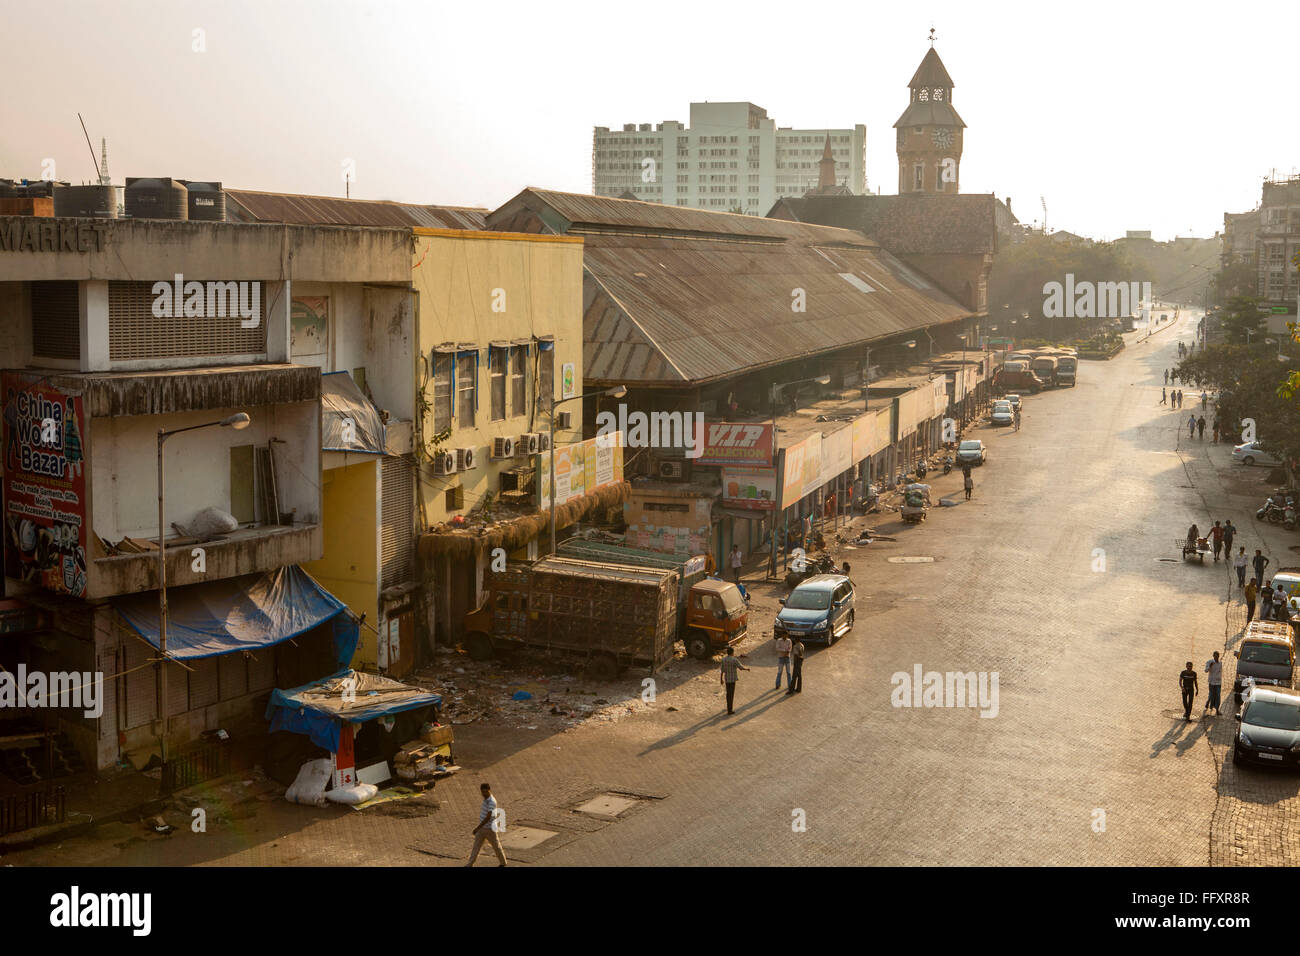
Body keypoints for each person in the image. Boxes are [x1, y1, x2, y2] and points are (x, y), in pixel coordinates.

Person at [466, 782, 507, 867]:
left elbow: (488, 817)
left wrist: (477, 828)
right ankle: (470, 864)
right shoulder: (486, 799)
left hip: (489, 829)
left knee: (496, 846)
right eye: (482, 792)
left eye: (485, 792)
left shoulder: (492, 802)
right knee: (476, 847)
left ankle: (503, 862)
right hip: (482, 828)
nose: (484, 794)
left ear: (489, 790)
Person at [720, 645, 749, 715]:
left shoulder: (723, 660)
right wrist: (746, 669)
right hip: (732, 679)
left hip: (727, 679)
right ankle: (730, 710)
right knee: (731, 694)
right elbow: (740, 667)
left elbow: (722, 670)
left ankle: (728, 707)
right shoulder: (734, 660)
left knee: (728, 694)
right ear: (732, 652)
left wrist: (721, 679)